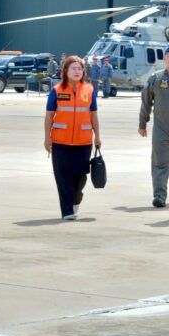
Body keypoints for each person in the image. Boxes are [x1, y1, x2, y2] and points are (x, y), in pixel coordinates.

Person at [44, 55, 101, 220]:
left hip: (83, 142)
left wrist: (97, 136)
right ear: (65, 71)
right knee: (62, 178)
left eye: (79, 68)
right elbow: (49, 115)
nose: (77, 71)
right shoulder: (57, 91)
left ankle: (76, 198)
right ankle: (67, 211)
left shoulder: (89, 90)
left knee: (80, 176)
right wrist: (47, 138)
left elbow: (93, 115)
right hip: (60, 141)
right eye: (73, 68)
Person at [139, 43, 169, 207]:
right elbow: (146, 102)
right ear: (164, 58)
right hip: (161, 128)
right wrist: (142, 123)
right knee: (159, 163)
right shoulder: (156, 78)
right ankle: (159, 195)